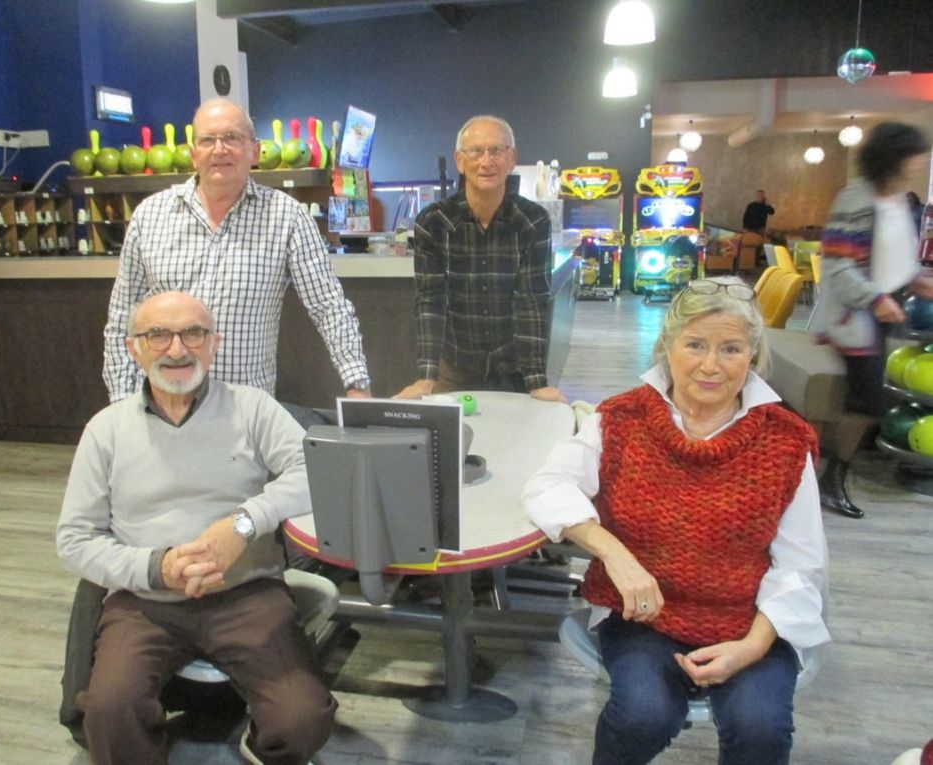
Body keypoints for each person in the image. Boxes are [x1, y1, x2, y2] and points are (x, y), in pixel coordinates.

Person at [522, 276, 829, 765]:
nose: (711, 365)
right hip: (645, 617)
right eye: (695, 345)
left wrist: (751, 648)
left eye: (730, 348)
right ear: (667, 346)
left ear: (752, 354)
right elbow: (548, 486)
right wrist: (613, 553)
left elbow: (801, 565)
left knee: (760, 730)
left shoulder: (784, 442)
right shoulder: (621, 419)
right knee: (642, 715)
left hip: (749, 619)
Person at [57, 291, 336, 765]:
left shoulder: (252, 408)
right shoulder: (105, 430)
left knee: (301, 720)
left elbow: (319, 472)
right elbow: (74, 539)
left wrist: (244, 524)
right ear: (134, 349)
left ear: (214, 343)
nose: (177, 349)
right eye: (159, 335)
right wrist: (155, 567)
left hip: (247, 595)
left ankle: (262, 741)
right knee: (108, 712)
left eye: (193, 333)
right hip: (145, 604)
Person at [102, 97, 371, 403]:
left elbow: (329, 307)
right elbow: (123, 318)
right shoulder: (149, 216)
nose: (220, 149)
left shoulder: (287, 218)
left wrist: (356, 383)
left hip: (245, 412)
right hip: (163, 405)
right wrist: (122, 401)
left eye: (232, 138)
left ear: (254, 151)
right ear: (193, 154)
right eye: (207, 140)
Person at [395, 115, 566, 402]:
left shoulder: (533, 221)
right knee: (450, 443)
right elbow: (430, 302)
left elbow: (532, 301)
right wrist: (427, 376)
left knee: (518, 441)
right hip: (454, 366)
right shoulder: (433, 222)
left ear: (512, 158)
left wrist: (536, 380)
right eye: (476, 151)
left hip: (514, 368)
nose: (486, 162)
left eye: (496, 151)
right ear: (460, 161)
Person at [811, 122, 933, 518]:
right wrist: (875, 297)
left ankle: (823, 473)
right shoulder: (856, 199)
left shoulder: (898, 200)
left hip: (883, 311)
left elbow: (894, 256)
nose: (921, 161)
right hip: (857, 316)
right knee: (866, 401)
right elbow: (838, 266)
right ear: (893, 156)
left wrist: (915, 279)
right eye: (916, 154)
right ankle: (830, 479)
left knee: (865, 398)